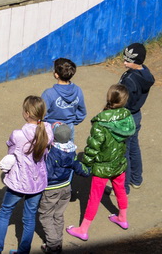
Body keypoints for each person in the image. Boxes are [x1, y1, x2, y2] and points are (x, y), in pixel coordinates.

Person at [66, 84, 135, 243]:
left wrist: (85, 164)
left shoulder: (100, 123)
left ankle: (83, 229)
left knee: (94, 198)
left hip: (102, 167)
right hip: (119, 163)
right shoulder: (127, 118)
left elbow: (93, 147)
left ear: (109, 98)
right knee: (120, 190)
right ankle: (122, 218)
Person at [0, 96, 52, 254]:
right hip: (37, 183)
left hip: (18, 182)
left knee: (4, 213)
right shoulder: (47, 130)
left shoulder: (18, 134)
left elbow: (11, 151)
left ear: (27, 113)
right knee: (29, 218)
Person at [40, 124, 89, 252]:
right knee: (58, 215)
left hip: (51, 189)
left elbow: (48, 173)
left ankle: (52, 244)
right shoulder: (72, 151)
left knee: (45, 216)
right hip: (66, 187)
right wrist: (87, 170)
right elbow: (79, 168)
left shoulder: (53, 153)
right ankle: (58, 242)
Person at [119, 42, 154, 192]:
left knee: (124, 151)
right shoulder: (145, 73)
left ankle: (123, 187)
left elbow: (124, 102)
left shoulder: (130, 80)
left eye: (128, 61)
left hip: (126, 116)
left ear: (137, 62)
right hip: (136, 115)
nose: (124, 62)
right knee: (134, 147)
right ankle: (136, 179)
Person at [41, 57, 87, 137]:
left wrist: (45, 124)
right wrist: (72, 122)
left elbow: (42, 113)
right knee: (69, 149)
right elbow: (82, 112)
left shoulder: (48, 93)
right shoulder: (78, 90)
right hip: (69, 128)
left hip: (51, 128)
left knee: (50, 149)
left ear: (56, 74)